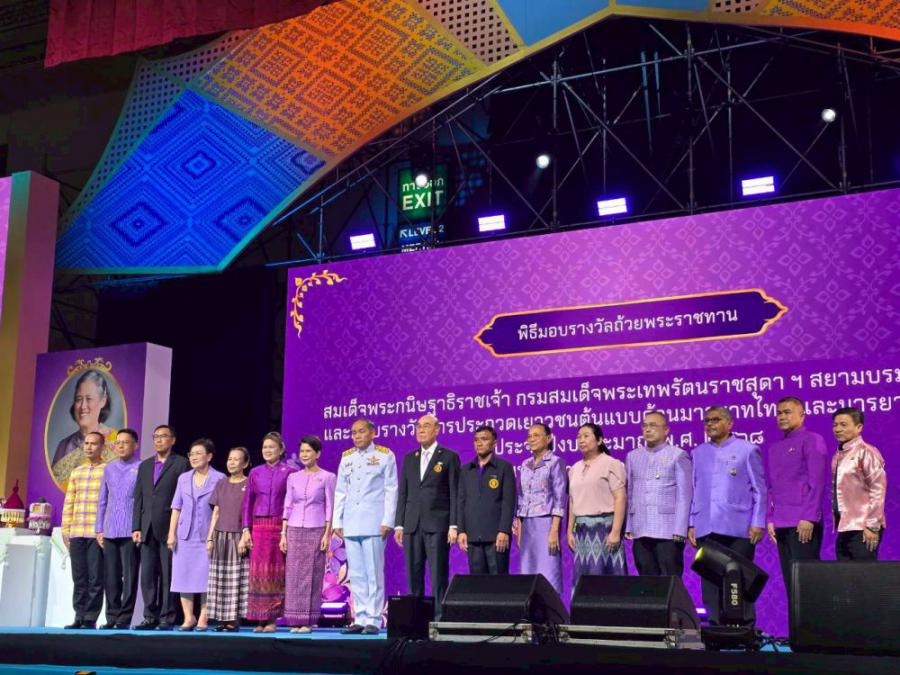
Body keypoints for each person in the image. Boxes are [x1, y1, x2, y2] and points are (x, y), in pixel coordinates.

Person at [688, 406, 767, 624]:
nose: (710, 424)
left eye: (715, 420)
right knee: (710, 581)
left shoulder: (748, 450)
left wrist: (758, 522)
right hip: (706, 525)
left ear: (730, 423)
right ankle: (714, 627)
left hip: (739, 527)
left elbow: (759, 490)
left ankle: (745, 628)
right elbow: (693, 489)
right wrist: (691, 523)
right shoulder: (698, 453)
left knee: (740, 579)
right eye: (707, 420)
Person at [333, 419, 398, 635]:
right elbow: (340, 491)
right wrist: (337, 521)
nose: (357, 436)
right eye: (353, 432)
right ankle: (359, 617)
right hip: (351, 521)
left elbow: (391, 490)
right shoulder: (347, 457)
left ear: (372, 433)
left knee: (373, 573)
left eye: (361, 432)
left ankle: (374, 619)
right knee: (357, 574)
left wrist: (388, 520)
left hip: (374, 522)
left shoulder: (384, 455)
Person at [395, 414, 460, 620]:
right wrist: (399, 525)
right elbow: (403, 493)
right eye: (418, 426)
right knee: (413, 576)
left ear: (437, 430)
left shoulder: (448, 457)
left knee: (438, 575)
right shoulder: (409, 458)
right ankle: (417, 621)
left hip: (438, 525)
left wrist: (454, 525)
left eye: (426, 426)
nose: (421, 430)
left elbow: (455, 493)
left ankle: (440, 620)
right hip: (412, 525)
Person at [765, 397, 828, 603]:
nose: (782, 416)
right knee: (791, 583)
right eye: (779, 413)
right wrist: (770, 518)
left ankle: (815, 624)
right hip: (781, 522)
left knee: (808, 582)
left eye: (787, 412)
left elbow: (817, 482)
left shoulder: (812, 440)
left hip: (803, 521)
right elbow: (772, 487)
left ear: (802, 415)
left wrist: (809, 517)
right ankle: (796, 624)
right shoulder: (775, 448)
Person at [132, 424, 190, 630]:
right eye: (155, 436)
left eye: (163, 436)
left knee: (168, 574)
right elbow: (139, 497)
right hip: (146, 527)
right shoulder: (145, 465)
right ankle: (149, 616)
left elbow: (184, 497)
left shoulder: (181, 463)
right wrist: (136, 527)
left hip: (169, 527)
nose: (158, 440)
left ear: (172, 440)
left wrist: (179, 527)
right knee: (147, 575)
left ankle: (167, 617)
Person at [240, 431, 297, 632]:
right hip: (258, 527)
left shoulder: (290, 472)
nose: (267, 450)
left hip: (279, 526)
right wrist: (246, 529)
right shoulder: (255, 472)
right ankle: (259, 619)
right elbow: (248, 502)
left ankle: (272, 618)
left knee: (275, 572)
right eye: (265, 447)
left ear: (281, 450)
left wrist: (286, 530)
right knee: (258, 572)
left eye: (272, 447)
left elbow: (292, 503)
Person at [625, 411, 692, 577]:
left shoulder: (678, 455)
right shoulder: (633, 456)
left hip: (668, 531)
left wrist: (680, 529)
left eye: (653, 425)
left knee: (670, 580)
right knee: (646, 580)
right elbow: (630, 492)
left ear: (666, 430)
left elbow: (685, 495)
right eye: (645, 426)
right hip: (640, 528)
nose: (648, 429)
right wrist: (629, 525)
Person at [280, 435, 336, 633]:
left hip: (316, 528)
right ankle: (294, 619)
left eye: (308, 451)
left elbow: (330, 507)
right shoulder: (293, 477)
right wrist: (283, 533)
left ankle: (308, 620)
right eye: (302, 451)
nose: (304, 455)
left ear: (317, 454)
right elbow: (288, 505)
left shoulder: (327, 477)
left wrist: (327, 534)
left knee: (312, 574)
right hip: (294, 529)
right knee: (294, 576)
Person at [168, 438, 225, 631]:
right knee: (183, 576)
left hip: (207, 535)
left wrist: (212, 536)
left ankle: (203, 617)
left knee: (205, 578)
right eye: (191, 454)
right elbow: (176, 506)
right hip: (184, 535)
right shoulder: (183, 478)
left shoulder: (219, 478)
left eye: (198, 453)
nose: (193, 457)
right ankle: (188, 617)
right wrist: (171, 533)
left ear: (209, 456)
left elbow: (219, 509)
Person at [567, 423, 627, 585]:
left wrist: (616, 532)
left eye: (586, 436)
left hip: (604, 529)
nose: (581, 440)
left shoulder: (611, 463)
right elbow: (572, 501)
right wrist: (569, 531)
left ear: (599, 440)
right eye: (579, 437)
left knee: (606, 580)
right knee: (584, 581)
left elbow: (620, 498)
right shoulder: (574, 468)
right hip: (582, 531)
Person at [513, 423, 567, 597]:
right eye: (529, 436)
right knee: (528, 571)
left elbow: (559, 498)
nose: (531, 439)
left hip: (546, 523)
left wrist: (554, 530)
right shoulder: (525, 464)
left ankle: (551, 612)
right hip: (527, 525)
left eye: (536, 435)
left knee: (548, 570)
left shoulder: (555, 462)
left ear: (548, 438)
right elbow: (521, 498)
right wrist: (519, 528)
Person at [95, 428, 141, 629]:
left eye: (125, 442)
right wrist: (99, 528)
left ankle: (124, 618)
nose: (120, 446)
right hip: (110, 529)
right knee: (111, 577)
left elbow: (142, 501)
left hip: (131, 530)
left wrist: (139, 527)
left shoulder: (141, 467)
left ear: (135, 445)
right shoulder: (109, 468)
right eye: (118, 442)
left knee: (129, 576)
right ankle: (112, 616)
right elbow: (102, 500)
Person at [61, 431, 106, 629]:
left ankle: (90, 618)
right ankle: (79, 616)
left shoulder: (108, 470)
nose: (88, 447)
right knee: (79, 577)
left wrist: (104, 529)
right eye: (86, 443)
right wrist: (66, 530)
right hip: (77, 531)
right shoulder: (77, 472)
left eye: (93, 444)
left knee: (95, 578)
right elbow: (69, 501)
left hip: (96, 533)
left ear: (102, 447)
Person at [457, 425, 515, 575]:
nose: (479, 443)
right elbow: (461, 502)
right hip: (473, 537)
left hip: (497, 537)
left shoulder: (504, 467)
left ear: (494, 443)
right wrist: (461, 531)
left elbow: (508, 502)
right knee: (478, 584)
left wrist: (504, 530)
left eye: (484, 439)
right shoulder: (466, 470)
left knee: (499, 583)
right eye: (476, 440)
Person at [831, 407, 887, 560]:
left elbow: (878, 489)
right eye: (835, 425)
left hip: (864, 527)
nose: (838, 429)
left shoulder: (866, 452)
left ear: (859, 427)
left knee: (865, 573)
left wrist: (872, 526)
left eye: (843, 425)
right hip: (845, 526)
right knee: (844, 572)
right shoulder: (838, 455)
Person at [207, 447, 251, 631]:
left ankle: (233, 620)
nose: (231, 462)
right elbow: (216, 512)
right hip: (220, 536)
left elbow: (250, 513)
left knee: (235, 580)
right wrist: (210, 538)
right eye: (229, 459)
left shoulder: (249, 484)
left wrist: (245, 537)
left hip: (238, 536)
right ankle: (222, 620)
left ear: (245, 463)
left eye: (236, 459)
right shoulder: (221, 483)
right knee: (220, 579)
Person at [52, 369, 115, 484]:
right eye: (78, 399)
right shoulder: (64, 445)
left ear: (103, 401)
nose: (83, 406)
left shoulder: (115, 440)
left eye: (89, 399)